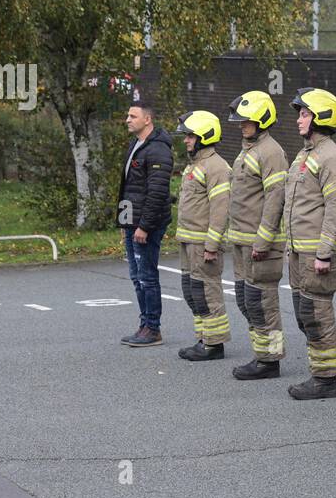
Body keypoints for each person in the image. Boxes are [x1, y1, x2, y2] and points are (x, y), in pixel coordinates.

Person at [283, 87, 336, 400]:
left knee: (317, 313)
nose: (299, 119)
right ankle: (318, 371)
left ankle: (325, 380)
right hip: (298, 249)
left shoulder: (331, 157)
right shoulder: (306, 153)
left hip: (315, 252)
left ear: (321, 116)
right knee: (304, 312)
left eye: (305, 113)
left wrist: (324, 252)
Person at [226, 91, 289, 380]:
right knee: (246, 300)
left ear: (261, 120)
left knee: (263, 303)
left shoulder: (271, 152)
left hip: (259, 244)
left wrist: (263, 240)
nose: (241, 125)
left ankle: (270, 359)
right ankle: (260, 353)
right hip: (242, 241)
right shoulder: (249, 149)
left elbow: (275, 198)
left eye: (245, 120)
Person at [173, 110, 232, 361]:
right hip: (188, 241)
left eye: (190, 136)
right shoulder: (196, 164)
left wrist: (211, 245)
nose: (186, 140)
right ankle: (203, 338)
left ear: (205, 136)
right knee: (192, 290)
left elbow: (220, 210)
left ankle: (214, 345)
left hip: (202, 243)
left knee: (207, 291)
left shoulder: (216, 167)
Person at [117, 100, 173, 347]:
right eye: (128, 116)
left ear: (147, 119)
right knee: (136, 276)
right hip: (132, 222)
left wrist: (144, 227)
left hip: (147, 224)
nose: (127, 120)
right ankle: (144, 325)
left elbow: (157, 192)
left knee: (147, 276)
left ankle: (153, 328)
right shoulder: (137, 145)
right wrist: (125, 223)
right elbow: (129, 189)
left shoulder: (158, 149)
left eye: (132, 116)